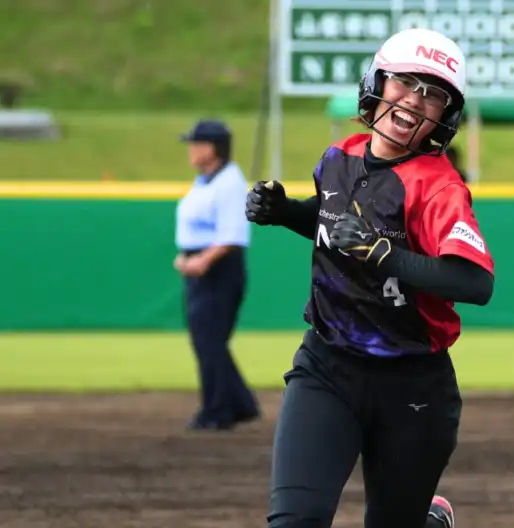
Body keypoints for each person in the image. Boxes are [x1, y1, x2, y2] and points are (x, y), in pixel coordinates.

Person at [245, 27, 494, 528]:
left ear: (445, 116)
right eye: (406, 82)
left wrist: (386, 255)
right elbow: (337, 224)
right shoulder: (339, 157)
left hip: (413, 385)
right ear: (377, 81)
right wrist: (287, 212)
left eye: (434, 95)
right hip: (327, 365)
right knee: (295, 521)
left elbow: (474, 284)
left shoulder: (439, 187)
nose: (416, 102)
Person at [175, 119, 260, 431]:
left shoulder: (229, 182)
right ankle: (239, 404)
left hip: (217, 270)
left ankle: (217, 409)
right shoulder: (205, 181)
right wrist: (186, 256)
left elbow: (232, 234)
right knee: (207, 340)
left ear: (212, 149)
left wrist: (202, 260)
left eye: (196, 144)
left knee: (209, 341)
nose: (191, 150)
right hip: (199, 268)